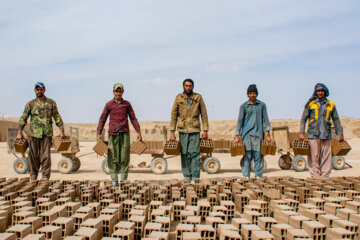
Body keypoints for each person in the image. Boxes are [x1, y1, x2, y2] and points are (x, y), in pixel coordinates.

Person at [16, 82, 65, 181]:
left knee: (46, 157)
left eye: (41, 89)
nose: (39, 91)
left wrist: (61, 130)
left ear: (44, 90)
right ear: (35, 91)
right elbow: (23, 118)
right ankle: (33, 177)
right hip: (34, 135)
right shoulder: (30, 104)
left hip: (46, 134)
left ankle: (45, 177)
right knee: (33, 157)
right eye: (37, 89)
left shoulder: (51, 103)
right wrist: (19, 132)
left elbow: (57, 117)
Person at [97, 83, 142, 186]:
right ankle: (114, 180)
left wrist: (138, 131)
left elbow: (133, 118)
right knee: (112, 157)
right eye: (116, 91)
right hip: (113, 134)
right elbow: (102, 118)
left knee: (124, 157)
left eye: (120, 91)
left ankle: (123, 180)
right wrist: (99, 132)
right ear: (113, 92)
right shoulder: (109, 104)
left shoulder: (127, 104)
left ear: (123, 92)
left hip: (124, 133)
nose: (118, 93)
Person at [299, 83, 343, 178]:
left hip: (326, 134)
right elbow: (303, 119)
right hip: (313, 134)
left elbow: (336, 120)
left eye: (322, 91)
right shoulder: (311, 104)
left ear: (325, 92)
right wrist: (301, 132)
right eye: (318, 91)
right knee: (314, 156)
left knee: (326, 157)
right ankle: (315, 176)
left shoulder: (331, 104)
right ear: (316, 92)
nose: (320, 93)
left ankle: (324, 177)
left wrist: (340, 133)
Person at [170, 79, 209, 184]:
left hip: (195, 130)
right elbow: (174, 115)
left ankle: (195, 177)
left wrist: (205, 130)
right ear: (183, 86)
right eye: (186, 86)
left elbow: (204, 115)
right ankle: (187, 176)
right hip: (183, 130)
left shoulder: (198, 98)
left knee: (195, 154)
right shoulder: (178, 98)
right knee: (184, 154)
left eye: (190, 86)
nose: (188, 87)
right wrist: (172, 131)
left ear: (193, 87)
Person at [234, 84, 271, 177]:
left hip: (258, 136)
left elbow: (266, 120)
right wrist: (237, 136)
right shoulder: (243, 106)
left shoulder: (262, 105)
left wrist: (268, 135)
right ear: (247, 94)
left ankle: (258, 177)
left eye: (254, 93)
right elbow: (239, 121)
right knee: (247, 158)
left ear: (257, 94)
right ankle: (246, 177)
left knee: (258, 157)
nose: (252, 95)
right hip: (246, 136)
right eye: (251, 93)